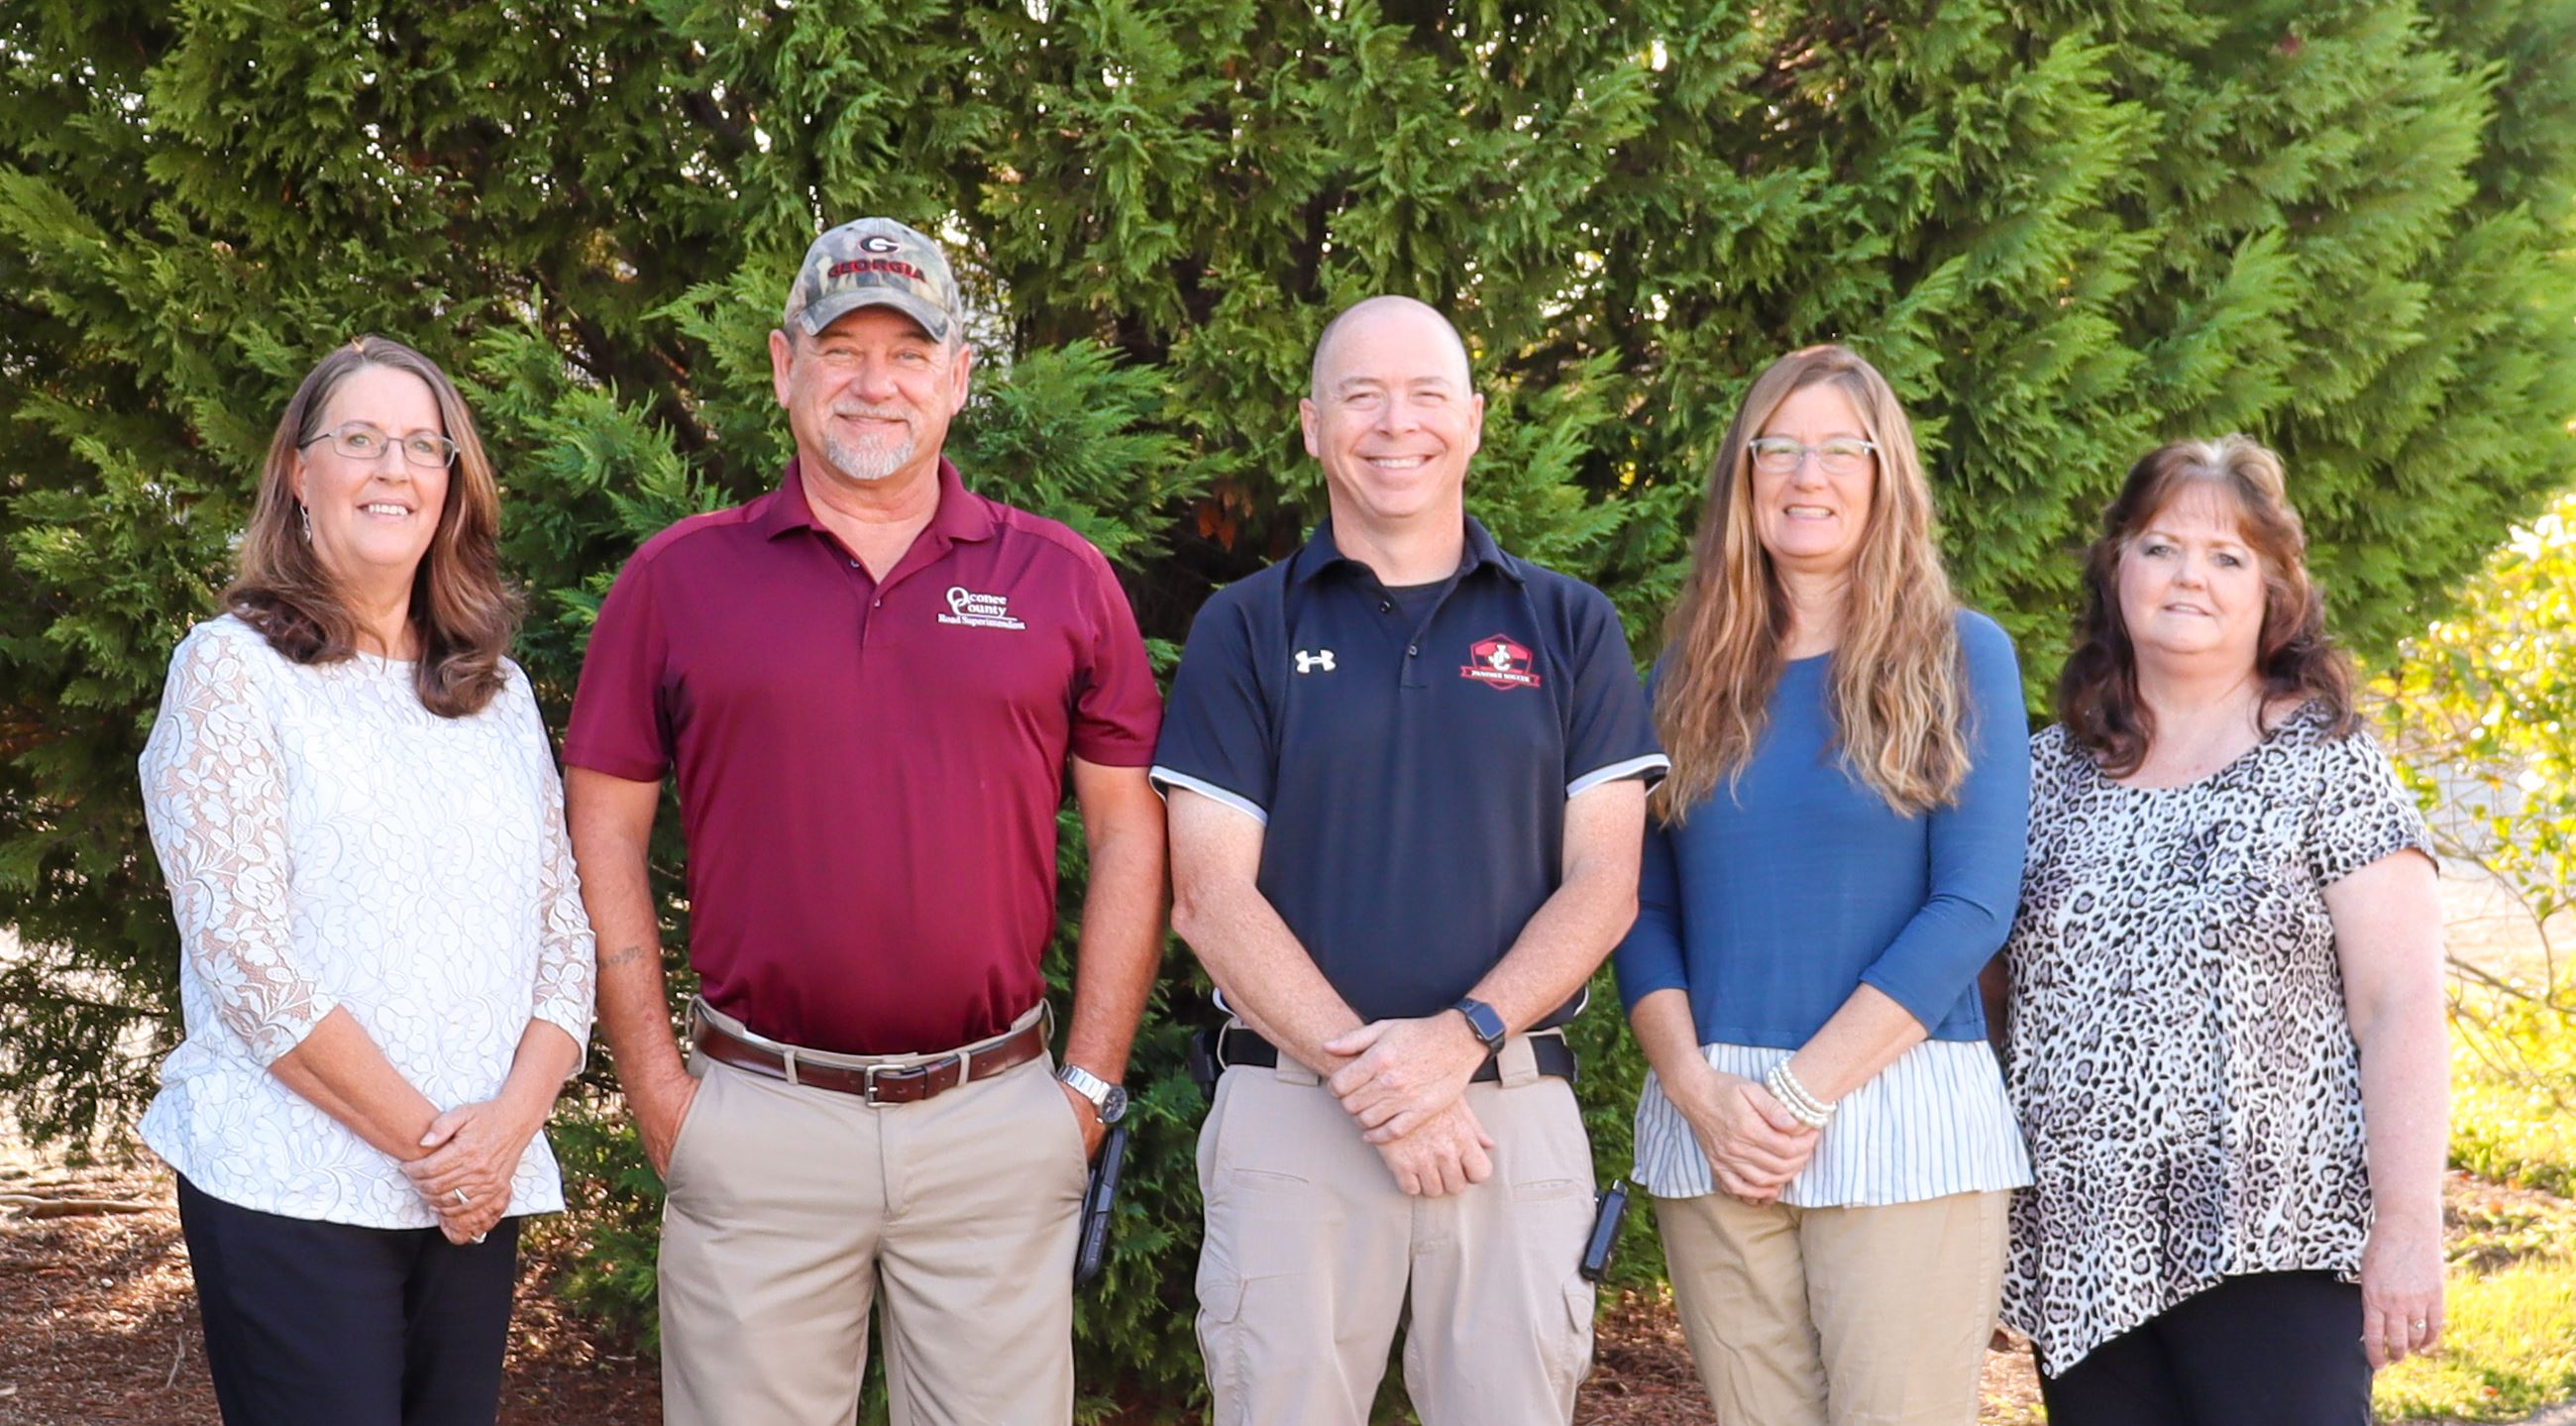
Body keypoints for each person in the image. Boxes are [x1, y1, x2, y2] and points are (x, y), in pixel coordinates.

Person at [562, 216, 1166, 1426]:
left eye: (909, 350)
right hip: (758, 1120)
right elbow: (602, 833)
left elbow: (1132, 837)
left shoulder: (1059, 579)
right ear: (785, 367)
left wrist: (1085, 1091)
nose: (874, 382)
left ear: (954, 379)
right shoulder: (678, 581)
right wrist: (659, 1092)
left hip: (995, 1122)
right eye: (842, 349)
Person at [1155, 294, 1665, 1426]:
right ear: (1309, 423)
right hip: (1293, 1111)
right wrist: (1383, 1084)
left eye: (1428, 393)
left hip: (1509, 1114)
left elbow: (1604, 883)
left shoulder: (1569, 624)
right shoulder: (1242, 627)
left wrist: (1457, 1041)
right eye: (1361, 394)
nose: (1397, 423)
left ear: (1474, 420)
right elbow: (1207, 893)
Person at [136, 336, 594, 1425]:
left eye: (421, 445)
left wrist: (498, 1139)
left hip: (472, 1197)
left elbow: (562, 937)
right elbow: (247, 959)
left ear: (451, 485)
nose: (393, 466)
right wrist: (438, 1151)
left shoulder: (499, 692)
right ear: (300, 474)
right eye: (359, 439)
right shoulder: (230, 670)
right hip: (293, 1184)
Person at [1610, 344, 2033, 1426]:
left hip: (1896, 1114)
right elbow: (1636, 905)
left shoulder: (1961, 655)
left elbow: (1972, 903)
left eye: (1839, 447)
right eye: (1778, 447)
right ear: (1742, 475)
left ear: (1883, 472)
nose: (1808, 474)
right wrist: (1701, 1093)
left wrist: (1800, 1094)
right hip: (1711, 1126)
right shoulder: (1683, 674)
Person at [1999, 435, 2446, 1424]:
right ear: (2115, 566)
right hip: (2084, 1251)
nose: (2186, 576)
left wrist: (2408, 1225)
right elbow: (1990, 993)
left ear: (2273, 592)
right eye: (2158, 547)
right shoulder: (2037, 778)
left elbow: (2400, 1000)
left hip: (2276, 1240)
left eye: (2225, 556)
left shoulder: (2325, 762)